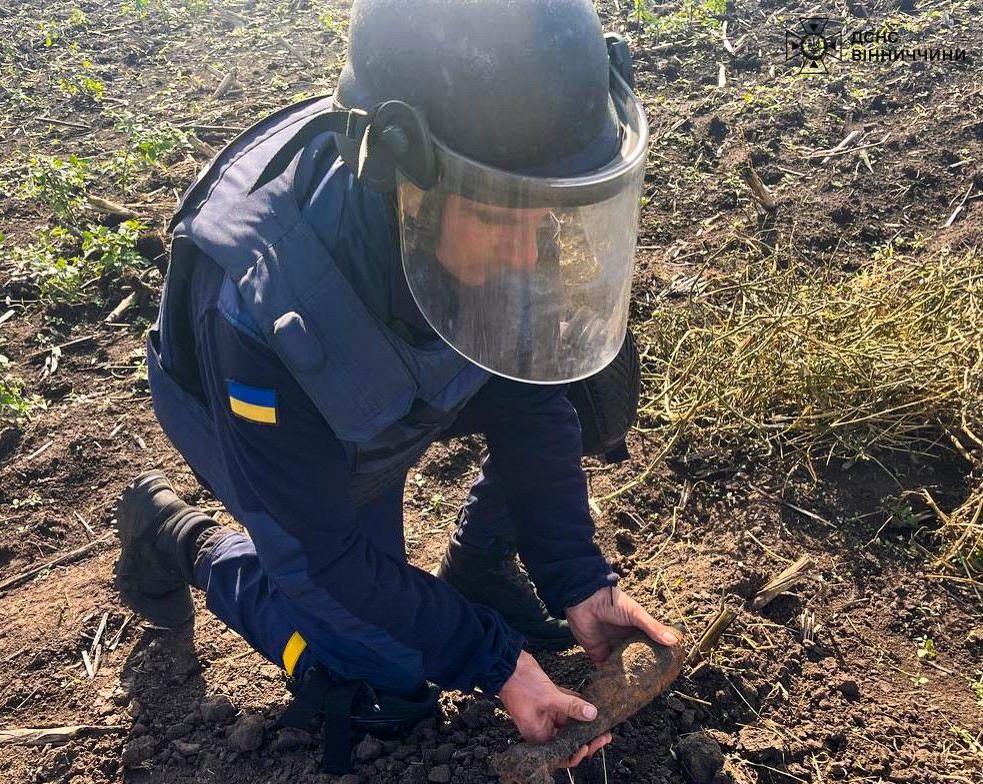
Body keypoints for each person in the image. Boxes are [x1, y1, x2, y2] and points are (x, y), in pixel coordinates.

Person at [113, 0, 679, 774]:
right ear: (398, 177)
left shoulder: (495, 201)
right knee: (386, 689)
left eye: (548, 207)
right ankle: (182, 540)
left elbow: (529, 393)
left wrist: (578, 580)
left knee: (580, 373)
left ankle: (480, 566)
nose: (528, 250)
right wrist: (495, 661)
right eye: (501, 214)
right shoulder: (266, 307)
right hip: (267, 427)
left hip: (398, 383)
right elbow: (328, 562)